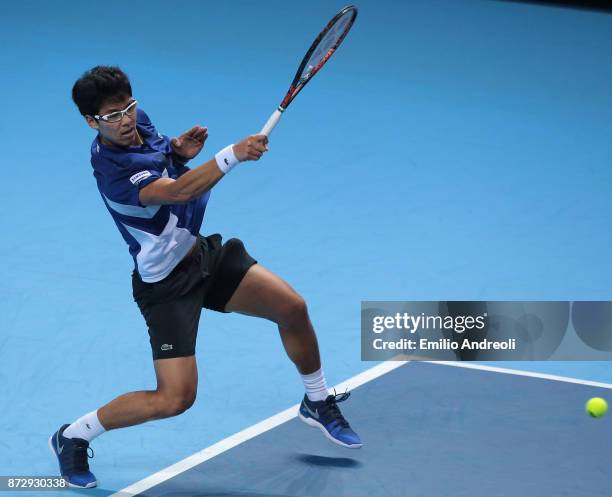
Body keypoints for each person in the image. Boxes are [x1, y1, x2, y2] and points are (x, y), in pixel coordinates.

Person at [49, 66, 361, 488]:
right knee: (174, 399)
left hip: (200, 256)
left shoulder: (137, 122)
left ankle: (318, 400)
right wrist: (231, 154)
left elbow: (167, 163)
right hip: (165, 286)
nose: (124, 120)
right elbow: (177, 192)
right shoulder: (113, 168)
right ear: (91, 122)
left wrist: (179, 152)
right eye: (111, 116)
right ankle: (74, 434)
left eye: (128, 107)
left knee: (292, 307)